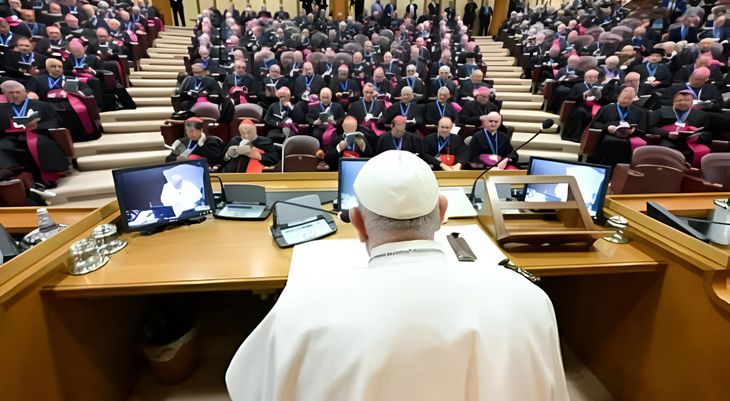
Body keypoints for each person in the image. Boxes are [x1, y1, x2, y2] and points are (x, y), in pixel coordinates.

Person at [226, 150, 569, 401]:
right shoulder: (528, 299)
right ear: (442, 213)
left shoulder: (300, 311)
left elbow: (247, 386)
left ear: (357, 222)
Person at [648, 90, 710, 167]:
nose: (683, 103)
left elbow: (707, 133)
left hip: (690, 142)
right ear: (673, 101)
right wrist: (667, 134)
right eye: (679, 100)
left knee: (693, 151)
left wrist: (697, 137)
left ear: (692, 102)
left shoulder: (701, 115)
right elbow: (652, 128)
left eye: (687, 100)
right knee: (666, 148)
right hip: (667, 139)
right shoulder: (660, 112)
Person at [589, 87, 648, 166]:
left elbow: (642, 129)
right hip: (608, 135)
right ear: (618, 96)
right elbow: (594, 124)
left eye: (629, 98)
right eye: (625, 97)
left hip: (627, 138)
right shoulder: (607, 108)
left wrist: (633, 131)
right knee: (610, 143)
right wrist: (607, 127)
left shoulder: (639, 111)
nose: (626, 100)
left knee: (622, 146)